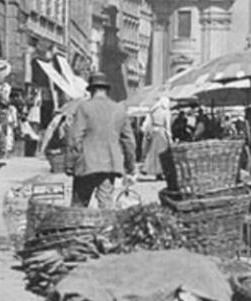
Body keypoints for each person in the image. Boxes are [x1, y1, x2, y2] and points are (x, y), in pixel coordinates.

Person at [65, 72, 136, 208]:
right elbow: (129, 141)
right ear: (107, 90)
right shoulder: (119, 109)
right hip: (109, 165)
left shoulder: (84, 107)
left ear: (91, 90)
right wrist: (131, 166)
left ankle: (79, 228)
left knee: (78, 207)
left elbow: (74, 138)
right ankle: (106, 229)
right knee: (106, 205)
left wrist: (69, 164)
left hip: (86, 164)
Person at [141, 96, 172, 179]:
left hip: (154, 132)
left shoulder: (153, 111)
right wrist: (170, 137)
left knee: (154, 153)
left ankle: (153, 171)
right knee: (163, 153)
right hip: (162, 132)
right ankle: (161, 171)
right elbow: (167, 126)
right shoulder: (166, 112)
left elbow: (148, 124)